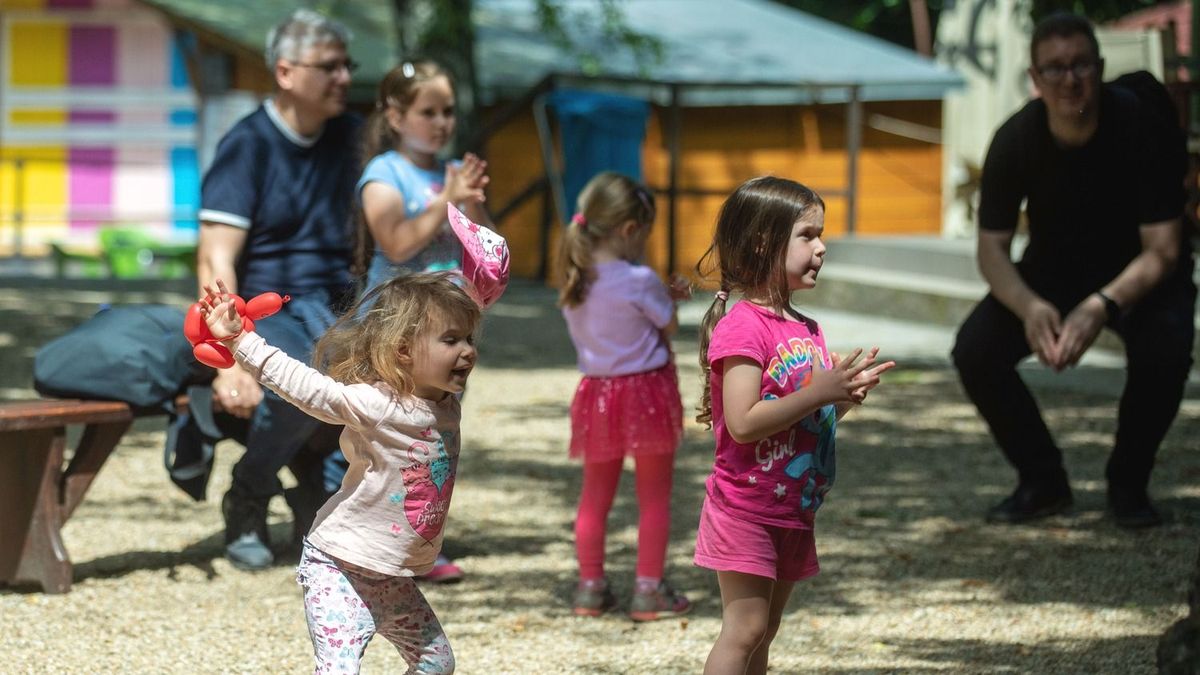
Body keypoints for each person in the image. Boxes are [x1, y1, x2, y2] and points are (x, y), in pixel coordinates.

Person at [951, 12, 1196, 529]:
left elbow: (1165, 249)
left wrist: (1101, 305)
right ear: (1035, 79)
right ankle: (1043, 482)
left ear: (1100, 67)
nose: (1070, 79)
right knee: (975, 350)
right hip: (1054, 267)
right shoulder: (1015, 139)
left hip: (1140, 270)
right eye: (1055, 68)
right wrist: (1030, 305)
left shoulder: (1140, 125)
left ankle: (1128, 486)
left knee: (1165, 348)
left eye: (1081, 64)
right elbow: (992, 250)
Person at [200, 272, 479, 675]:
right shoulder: (379, 405)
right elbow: (310, 389)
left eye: (470, 339)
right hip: (340, 566)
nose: (468, 351)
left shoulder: (445, 403)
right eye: (451, 340)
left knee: (436, 663)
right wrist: (241, 342)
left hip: (390, 576)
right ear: (403, 351)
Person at [694, 176, 893, 674]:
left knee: (765, 632)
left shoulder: (806, 328)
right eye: (808, 235)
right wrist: (817, 392)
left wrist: (839, 399)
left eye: (820, 235)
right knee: (744, 629)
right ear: (764, 241)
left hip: (793, 506)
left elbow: (802, 419)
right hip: (746, 507)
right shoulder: (742, 325)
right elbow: (741, 423)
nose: (822, 247)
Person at [196, 9, 363, 570]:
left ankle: (336, 511)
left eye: (348, 66)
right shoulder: (248, 145)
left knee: (408, 375)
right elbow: (215, 254)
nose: (344, 77)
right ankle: (249, 492)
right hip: (271, 306)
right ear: (287, 73)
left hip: (344, 298)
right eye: (330, 67)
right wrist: (227, 360)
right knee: (304, 374)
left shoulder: (352, 136)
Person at [353, 59, 491, 582]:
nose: (440, 122)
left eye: (448, 111)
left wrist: (471, 208)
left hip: (446, 330)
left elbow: (490, 248)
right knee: (383, 432)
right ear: (395, 114)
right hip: (393, 326)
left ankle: (420, 544)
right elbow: (396, 241)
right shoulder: (384, 172)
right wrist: (446, 202)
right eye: (428, 111)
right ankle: (367, 544)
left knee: (436, 435)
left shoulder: (453, 173)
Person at [558, 172, 693, 621]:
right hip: (647, 392)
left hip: (596, 395)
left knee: (595, 495)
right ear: (630, 230)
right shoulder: (638, 278)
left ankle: (591, 588)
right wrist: (673, 298)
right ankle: (648, 591)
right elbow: (666, 324)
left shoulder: (575, 280)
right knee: (653, 497)